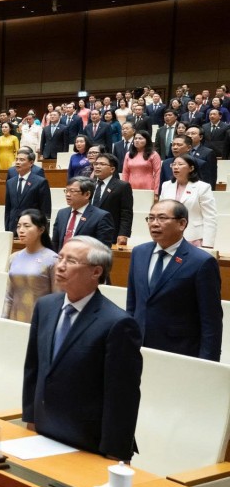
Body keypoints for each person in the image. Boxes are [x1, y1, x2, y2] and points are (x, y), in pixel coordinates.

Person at [23, 237, 140, 460]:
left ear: (96, 272)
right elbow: (33, 367)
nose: (60, 266)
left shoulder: (118, 323)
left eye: (71, 261)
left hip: (88, 442)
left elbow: (122, 396)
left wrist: (115, 453)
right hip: (44, 431)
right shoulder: (45, 306)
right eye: (60, 258)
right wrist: (31, 418)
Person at [126, 200, 222, 361]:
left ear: (182, 223)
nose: (154, 224)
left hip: (179, 352)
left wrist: (207, 364)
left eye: (162, 218)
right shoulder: (139, 252)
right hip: (139, 346)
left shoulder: (202, 262)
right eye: (151, 218)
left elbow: (211, 320)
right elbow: (132, 304)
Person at [3, 210, 58, 322]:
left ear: (41, 230)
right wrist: (3, 319)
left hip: (40, 321)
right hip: (14, 320)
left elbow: (57, 298)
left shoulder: (53, 259)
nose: (21, 230)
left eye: (27, 226)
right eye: (18, 226)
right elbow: (9, 296)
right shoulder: (14, 257)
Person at [159, 154, 217, 247]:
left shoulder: (202, 187)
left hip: (194, 238)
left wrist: (208, 244)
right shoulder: (166, 185)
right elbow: (160, 212)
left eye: (180, 164)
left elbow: (210, 217)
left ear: (191, 168)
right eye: (174, 164)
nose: (176, 167)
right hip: (169, 236)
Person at [51, 177, 115, 253]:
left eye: (72, 191)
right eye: (66, 190)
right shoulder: (62, 213)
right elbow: (55, 242)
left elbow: (103, 249)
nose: (67, 194)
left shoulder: (101, 216)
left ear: (87, 194)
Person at [89, 153, 134, 247]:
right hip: (88, 231)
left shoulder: (122, 186)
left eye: (102, 164)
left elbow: (126, 213)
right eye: (96, 164)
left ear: (112, 169)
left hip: (110, 232)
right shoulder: (89, 184)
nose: (97, 166)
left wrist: (123, 234)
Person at [5, 148, 52, 232]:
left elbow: (45, 210)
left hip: (32, 228)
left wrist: (44, 231)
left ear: (31, 163)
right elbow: (8, 209)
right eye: (17, 159)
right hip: (13, 227)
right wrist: (7, 229)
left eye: (22, 160)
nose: (18, 162)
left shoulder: (40, 182)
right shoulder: (10, 182)